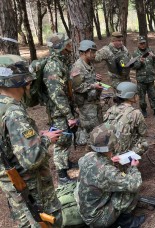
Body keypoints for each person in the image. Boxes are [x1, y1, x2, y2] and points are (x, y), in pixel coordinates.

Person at [0, 54, 63, 227]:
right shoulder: (14, 113)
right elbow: (32, 159)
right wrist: (45, 139)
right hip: (31, 188)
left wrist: (34, 137)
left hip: (10, 183)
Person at [75, 123, 145, 228]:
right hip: (98, 220)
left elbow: (96, 167)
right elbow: (135, 183)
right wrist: (133, 167)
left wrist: (110, 160)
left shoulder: (88, 156)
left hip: (86, 210)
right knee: (130, 190)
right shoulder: (107, 172)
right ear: (112, 144)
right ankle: (127, 223)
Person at [43, 33, 78, 183]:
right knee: (60, 141)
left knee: (66, 138)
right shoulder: (53, 66)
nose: (69, 48)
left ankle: (66, 163)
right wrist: (69, 116)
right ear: (59, 47)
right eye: (67, 45)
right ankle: (62, 175)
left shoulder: (61, 62)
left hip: (63, 109)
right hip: (59, 112)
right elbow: (57, 95)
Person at [70, 40, 104, 146]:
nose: (94, 55)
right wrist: (93, 86)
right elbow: (76, 87)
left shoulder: (89, 64)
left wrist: (96, 79)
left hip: (93, 101)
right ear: (85, 52)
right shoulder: (77, 67)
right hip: (85, 104)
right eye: (92, 52)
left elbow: (88, 79)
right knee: (93, 131)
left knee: (98, 127)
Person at [104, 82, 148, 155]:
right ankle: (129, 160)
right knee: (144, 143)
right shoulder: (136, 113)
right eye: (136, 94)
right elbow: (143, 132)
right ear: (131, 96)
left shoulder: (110, 109)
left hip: (108, 148)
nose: (138, 96)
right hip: (122, 150)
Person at [132, 36, 155, 118]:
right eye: (141, 43)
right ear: (138, 44)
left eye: (144, 43)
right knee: (142, 97)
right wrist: (140, 62)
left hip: (150, 79)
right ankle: (144, 110)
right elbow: (133, 67)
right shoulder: (135, 53)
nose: (142, 45)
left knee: (153, 96)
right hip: (141, 80)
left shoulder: (150, 51)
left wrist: (154, 56)